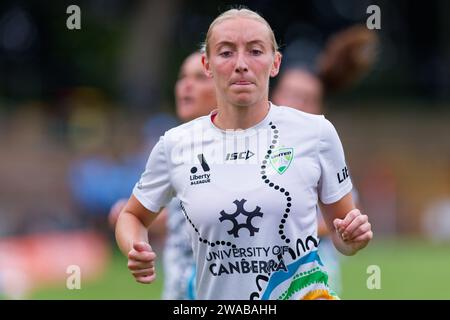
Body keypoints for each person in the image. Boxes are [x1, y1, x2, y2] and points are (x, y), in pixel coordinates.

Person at [115, 8, 373, 300]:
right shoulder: (175, 144)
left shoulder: (317, 133)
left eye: (255, 51)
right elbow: (132, 216)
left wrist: (353, 237)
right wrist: (136, 248)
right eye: (226, 53)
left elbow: (343, 236)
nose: (241, 64)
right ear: (208, 64)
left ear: (275, 63)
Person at [271, 24, 378, 295]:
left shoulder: (321, 150)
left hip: (312, 272)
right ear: (274, 95)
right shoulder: (249, 144)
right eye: (291, 94)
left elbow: (345, 215)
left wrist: (287, 225)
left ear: (320, 109)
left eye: (306, 99)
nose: (296, 103)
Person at [109, 51, 217, 299]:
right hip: (179, 292)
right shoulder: (173, 146)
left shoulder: (241, 147)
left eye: (200, 77)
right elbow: (182, 216)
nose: (187, 85)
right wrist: (135, 221)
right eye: (182, 77)